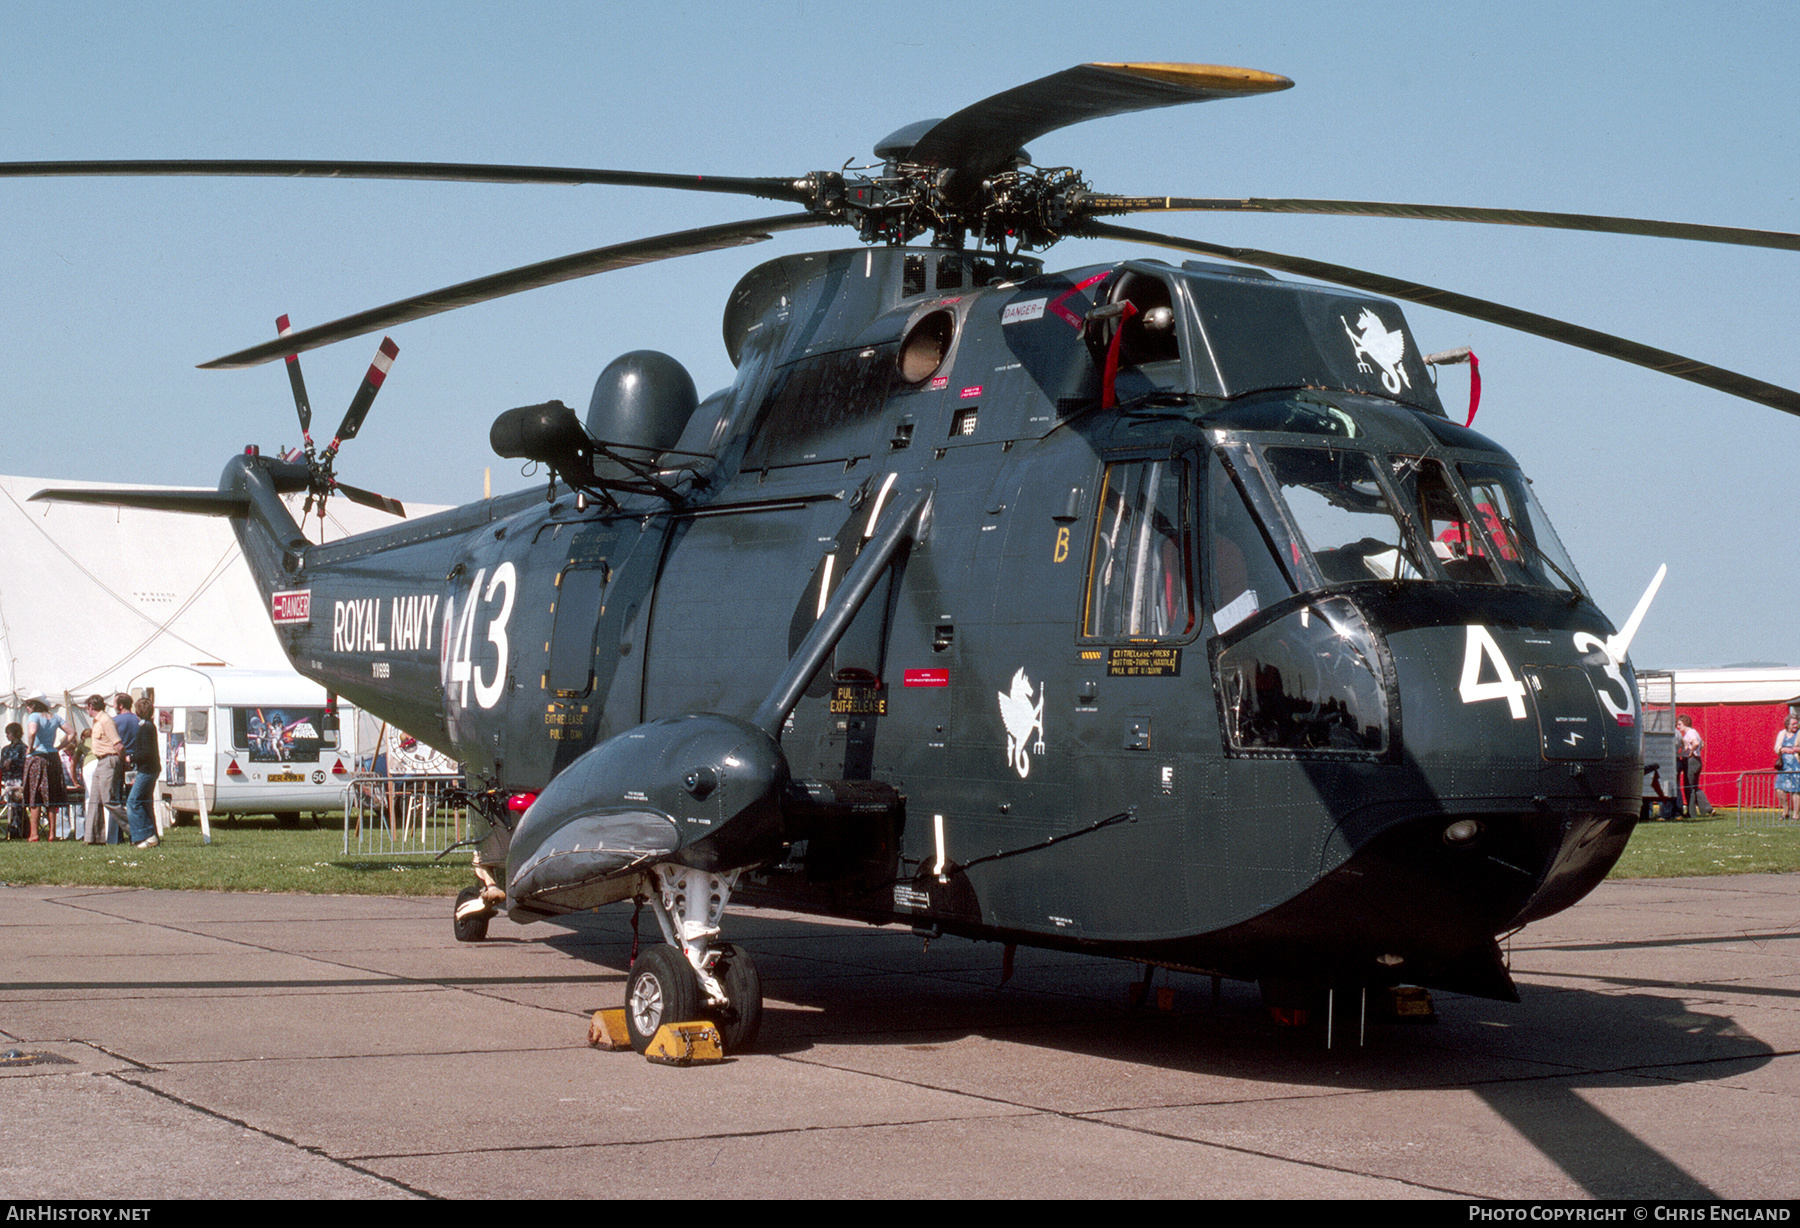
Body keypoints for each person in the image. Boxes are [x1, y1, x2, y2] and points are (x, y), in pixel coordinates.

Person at [22, 698, 68, 841]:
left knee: (34, 796)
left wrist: (30, 748)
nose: (28, 708)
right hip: (53, 758)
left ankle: (34, 833)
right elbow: (72, 733)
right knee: (52, 796)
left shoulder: (34, 716)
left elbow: (32, 731)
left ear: (35, 705)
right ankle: (52, 834)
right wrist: (58, 748)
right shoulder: (55, 717)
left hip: (37, 758)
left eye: (29, 705)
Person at [84, 694, 125, 845]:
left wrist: (122, 762)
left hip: (109, 760)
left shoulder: (106, 721)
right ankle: (93, 838)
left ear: (91, 707)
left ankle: (137, 831)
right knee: (94, 800)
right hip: (99, 761)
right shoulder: (96, 722)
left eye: (86, 707)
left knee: (109, 800)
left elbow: (118, 745)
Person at [127, 696, 162, 848]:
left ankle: (145, 835)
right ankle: (151, 835)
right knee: (146, 803)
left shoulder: (145, 728)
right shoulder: (150, 726)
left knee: (133, 802)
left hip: (147, 770)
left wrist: (131, 757)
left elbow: (147, 752)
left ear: (138, 711)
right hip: (150, 769)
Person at [110, 694, 139, 844]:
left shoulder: (114, 722)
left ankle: (116, 836)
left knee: (115, 798)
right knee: (132, 799)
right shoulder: (138, 721)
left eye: (114, 703)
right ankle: (138, 832)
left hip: (119, 760)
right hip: (134, 762)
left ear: (120, 705)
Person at [1674, 714, 1711, 818]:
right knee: (1693, 787)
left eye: (1680, 724)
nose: (1678, 727)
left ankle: (1691, 813)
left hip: (1691, 761)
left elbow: (1695, 743)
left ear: (1685, 723)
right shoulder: (1694, 732)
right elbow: (1702, 744)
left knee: (1689, 787)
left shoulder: (1690, 733)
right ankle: (1707, 809)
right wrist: (1697, 752)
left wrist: (1691, 753)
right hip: (1696, 760)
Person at [2, 722, 27, 839]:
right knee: (10, 806)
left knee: (18, 806)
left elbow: (26, 764)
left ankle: (19, 830)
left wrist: (13, 762)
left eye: (9, 733)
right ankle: (12, 830)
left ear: (16, 733)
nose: (7, 736)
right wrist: (4, 764)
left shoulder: (24, 748)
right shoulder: (5, 749)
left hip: (19, 781)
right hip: (7, 781)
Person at [1775, 714, 1800, 822]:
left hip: (1796, 766)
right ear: (1787, 725)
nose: (1795, 726)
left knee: (1796, 791)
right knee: (1779, 789)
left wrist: (1796, 749)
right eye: (1793, 724)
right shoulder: (1782, 733)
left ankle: (1796, 814)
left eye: (1796, 723)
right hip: (1784, 767)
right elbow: (1777, 747)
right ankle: (1785, 811)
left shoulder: (1799, 734)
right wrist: (1783, 749)